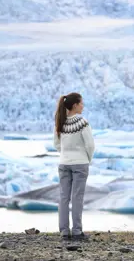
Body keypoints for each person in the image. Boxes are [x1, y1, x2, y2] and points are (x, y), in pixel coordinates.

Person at [53, 92, 95, 240]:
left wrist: (66, 155)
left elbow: (57, 144)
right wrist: (87, 159)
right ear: (75, 105)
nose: (83, 106)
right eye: (81, 103)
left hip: (64, 163)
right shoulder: (82, 122)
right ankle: (77, 231)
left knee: (64, 197)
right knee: (77, 197)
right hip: (80, 163)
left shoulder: (60, 122)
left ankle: (64, 231)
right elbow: (90, 145)